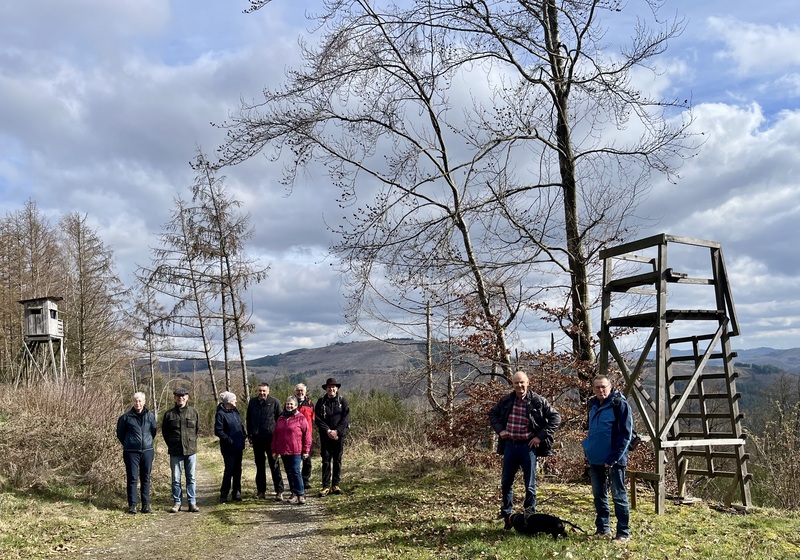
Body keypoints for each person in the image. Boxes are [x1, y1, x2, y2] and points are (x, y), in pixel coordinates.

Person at [488, 370, 561, 518]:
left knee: (530, 484)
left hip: (528, 447)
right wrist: (500, 430)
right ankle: (506, 512)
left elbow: (556, 418)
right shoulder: (507, 400)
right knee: (506, 482)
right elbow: (492, 414)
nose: (519, 385)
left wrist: (540, 437)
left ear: (528, 383)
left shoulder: (538, 401)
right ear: (512, 384)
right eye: (516, 383)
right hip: (510, 445)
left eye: (522, 382)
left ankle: (529, 513)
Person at [582, 375, 633, 544]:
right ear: (593, 389)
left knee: (618, 496)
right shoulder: (593, 405)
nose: (600, 390)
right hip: (595, 459)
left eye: (603, 387)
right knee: (599, 495)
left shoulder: (620, 405)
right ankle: (603, 529)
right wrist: (587, 448)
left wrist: (612, 458)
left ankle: (623, 533)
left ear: (610, 387)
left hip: (614, 460)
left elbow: (626, 435)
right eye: (597, 387)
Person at [116, 391, 157, 514]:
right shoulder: (125, 417)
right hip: (131, 452)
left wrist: (146, 443)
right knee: (132, 478)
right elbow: (120, 434)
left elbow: (153, 431)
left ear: (144, 402)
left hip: (147, 451)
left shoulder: (150, 416)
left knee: (146, 478)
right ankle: (132, 505)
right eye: (135, 401)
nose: (137, 403)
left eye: (140, 401)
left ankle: (146, 505)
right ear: (132, 402)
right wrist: (130, 443)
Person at [162, 386, 200, 513]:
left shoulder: (193, 412)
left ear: (187, 398)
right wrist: (172, 444)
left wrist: (191, 443)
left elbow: (196, 430)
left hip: (190, 450)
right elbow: (165, 432)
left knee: (191, 478)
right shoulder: (169, 414)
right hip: (175, 451)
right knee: (176, 479)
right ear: (175, 398)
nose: (181, 398)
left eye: (183, 396)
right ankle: (177, 503)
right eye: (178, 396)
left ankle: (192, 503)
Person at [246, 382, 285, 501]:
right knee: (260, 466)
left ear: (268, 391)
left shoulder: (275, 402)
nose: (262, 393)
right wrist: (250, 435)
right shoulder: (252, 402)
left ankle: (279, 491)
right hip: (257, 440)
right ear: (257, 391)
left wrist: (279, 438)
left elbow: (281, 420)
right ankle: (261, 491)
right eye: (260, 391)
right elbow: (248, 419)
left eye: (264, 391)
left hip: (271, 440)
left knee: (274, 465)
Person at [272, 396, 312, 505]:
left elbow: (307, 435)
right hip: (284, 450)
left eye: (291, 404)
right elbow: (275, 435)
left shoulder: (300, 418)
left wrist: (306, 450)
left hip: (296, 450)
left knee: (295, 470)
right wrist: (274, 450)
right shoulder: (281, 418)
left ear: (295, 406)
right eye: (287, 404)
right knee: (289, 472)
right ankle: (293, 493)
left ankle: (301, 494)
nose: (289, 406)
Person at [314, 377, 350, 497]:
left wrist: (337, 432)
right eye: (329, 387)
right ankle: (325, 486)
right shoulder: (321, 402)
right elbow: (317, 419)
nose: (331, 389)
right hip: (325, 436)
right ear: (326, 389)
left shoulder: (342, 401)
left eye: (333, 387)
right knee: (325, 461)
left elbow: (345, 418)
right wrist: (328, 430)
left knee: (337, 460)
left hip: (338, 436)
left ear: (337, 388)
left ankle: (336, 485)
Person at [215, 391, 247, 503]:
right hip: (228, 448)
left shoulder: (235, 411)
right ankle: (224, 494)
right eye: (234, 399)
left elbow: (240, 425)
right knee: (229, 470)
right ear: (228, 401)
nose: (236, 401)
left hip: (239, 446)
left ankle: (236, 492)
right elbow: (218, 431)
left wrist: (244, 435)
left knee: (238, 470)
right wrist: (228, 440)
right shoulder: (220, 414)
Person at [294, 382, 315, 491]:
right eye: (298, 390)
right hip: (294, 437)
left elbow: (313, 419)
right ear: (295, 392)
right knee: (295, 460)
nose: (300, 392)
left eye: (301, 390)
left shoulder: (310, 404)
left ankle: (305, 480)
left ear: (305, 392)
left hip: (307, 436)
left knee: (307, 460)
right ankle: (295, 482)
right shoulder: (291, 403)